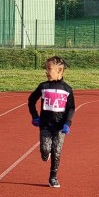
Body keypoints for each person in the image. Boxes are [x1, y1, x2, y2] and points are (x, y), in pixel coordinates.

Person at [27, 56, 75, 188]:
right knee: (45, 150)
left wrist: (67, 123)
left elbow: (71, 108)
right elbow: (31, 100)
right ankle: (45, 153)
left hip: (60, 127)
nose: (46, 71)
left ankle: (53, 177)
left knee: (57, 150)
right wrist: (35, 116)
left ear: (60, 70)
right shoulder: (43, 86)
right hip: (45, 125)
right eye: (46, 68)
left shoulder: (67, 89)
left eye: (49, 69)